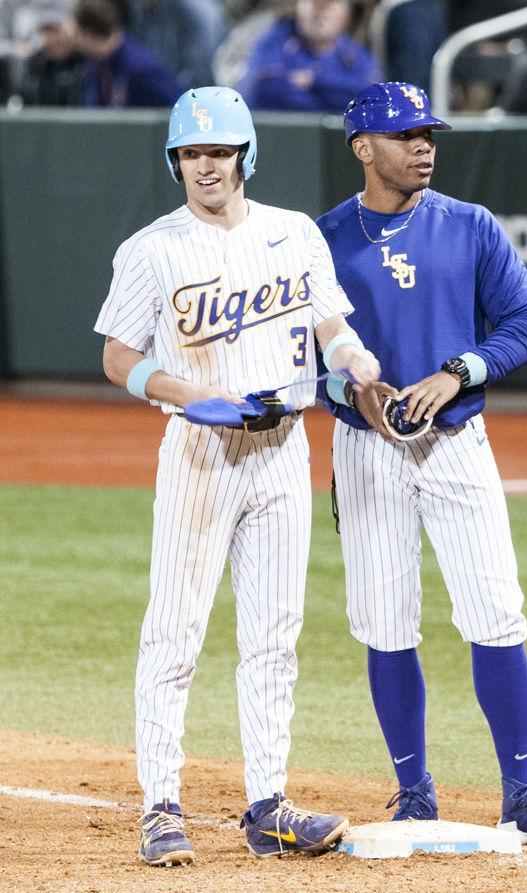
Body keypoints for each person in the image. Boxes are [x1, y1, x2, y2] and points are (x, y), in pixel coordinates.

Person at [94, 85, 380, 865]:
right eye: (191, 152)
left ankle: (267, 805)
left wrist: (353, 360)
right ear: (175, 160)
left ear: (245, 154)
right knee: (175, 630)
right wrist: (189, 396)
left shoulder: (294, 235)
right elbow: (118, 355)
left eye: (218, 151)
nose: (205, 165)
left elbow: (333, 326)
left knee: (274, 636)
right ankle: (160, 805)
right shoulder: (153, 247)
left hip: (284, 449)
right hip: (199, 454)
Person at [316, 81, 527, 847]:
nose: (424, 145)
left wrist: (459, 370)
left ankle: (524, 793)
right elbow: (300, 358)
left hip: (458, 443)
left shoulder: (470, 226)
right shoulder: (322, 240)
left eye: (429, 132)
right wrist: (348, 388)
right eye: (405, 135)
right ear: (362, 148)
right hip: (366, 451)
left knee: (496, 612)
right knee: (384, 620)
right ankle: (413, 792)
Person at [237, 0, 380, 112]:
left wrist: (313, 81)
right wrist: (333, 103)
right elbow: (260, 87)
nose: (321, 14)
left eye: (330, 6)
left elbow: (370, 96)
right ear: (297, 8)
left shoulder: (354, 53)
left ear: (346, 15)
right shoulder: (275, 40)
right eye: (315, 5)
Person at [74, 0, 183, 107]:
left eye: (77, 31)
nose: (74, 37)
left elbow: (182, 105)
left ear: (87, 34)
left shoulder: (139, 67)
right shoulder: (96, 62)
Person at [127, 0, 227, 92]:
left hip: (195, 103)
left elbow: (202, 77)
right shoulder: (140, 11)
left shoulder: (195, 9)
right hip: (159, 100)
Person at [20, 1, 85, 106]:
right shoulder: (35, 64)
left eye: (56, 29)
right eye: (47, 29)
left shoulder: (87, 62)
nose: (54, 37)